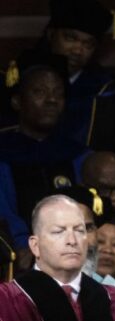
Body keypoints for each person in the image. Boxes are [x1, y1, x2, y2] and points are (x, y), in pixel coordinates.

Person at [0, 50, 88, 251]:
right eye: (40, 92)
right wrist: (26, 246)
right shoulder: (4, 154)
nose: (52, 100)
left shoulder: (77, 155)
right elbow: (4, 214)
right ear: (17, 102)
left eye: (58, 93)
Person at [38, 0, 115, 146]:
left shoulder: (105, 93)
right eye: (70, 38)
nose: (77, 51)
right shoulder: (17, 81)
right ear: (50, 35)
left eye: (88, 44)